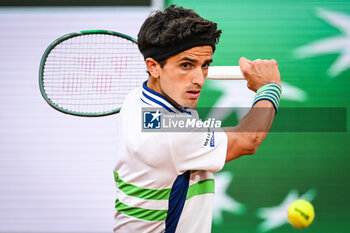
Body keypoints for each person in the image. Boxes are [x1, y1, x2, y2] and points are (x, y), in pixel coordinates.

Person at [113, 5, 281, 233]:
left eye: (205, 65)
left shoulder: (136, 100)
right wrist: (269, 88)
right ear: (153, 67)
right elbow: (247, 140)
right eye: (186, 65)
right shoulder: (170, 134)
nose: (199, 80)